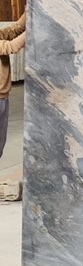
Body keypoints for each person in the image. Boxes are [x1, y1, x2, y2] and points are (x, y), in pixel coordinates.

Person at [0, 12, 25, 161]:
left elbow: (14, 30)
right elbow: (12, 47)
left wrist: (30, 13)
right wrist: (38, 24)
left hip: (3, 98)